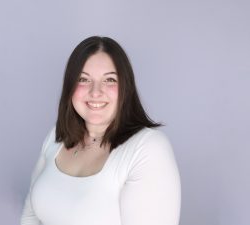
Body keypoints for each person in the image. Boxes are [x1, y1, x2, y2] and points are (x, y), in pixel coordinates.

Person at [20, 36, 181, 225]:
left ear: (125, 88)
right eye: (83, 79)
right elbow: (30, 217)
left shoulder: (148, 148)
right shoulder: (57, 137)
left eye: (110, 80)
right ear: (70, 86)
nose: (96, 92)